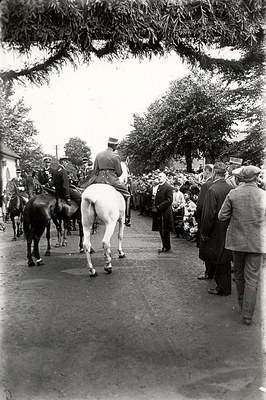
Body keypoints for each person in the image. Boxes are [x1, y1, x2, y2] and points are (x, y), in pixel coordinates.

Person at [218, 165, 266, 326]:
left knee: (239, 275)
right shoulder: (263, 195)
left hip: (237, 242)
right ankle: (248, 315)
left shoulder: (234, 193)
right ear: (256, 178)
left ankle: (241, 305)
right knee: (252, 278)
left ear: (242, 178)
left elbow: (222, 216)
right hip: (257, 243)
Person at [199, 162, 233, 296]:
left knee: (217, 258)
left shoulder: (212, 189)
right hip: (227, 228)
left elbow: (208, 214)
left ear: (213, 173)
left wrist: (204, 232)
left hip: (215, 229)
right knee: (225, 258)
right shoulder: (230, 188)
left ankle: (222, 288)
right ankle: (225, 286)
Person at [89, 137, 131, 227]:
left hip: (99, 181)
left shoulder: (98, 155)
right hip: (112, 181)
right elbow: (119, 173)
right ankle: (127, 218)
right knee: (128, 195)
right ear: (115, 146)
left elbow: (95, 170)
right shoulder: (115, 156)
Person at [196, 164, 214, 278]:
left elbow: (200, 205)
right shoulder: (218, 183)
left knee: (206, 247)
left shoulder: (207, 185)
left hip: (206, 220)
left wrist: (198, 217)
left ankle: (208, 272)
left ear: (207, 172)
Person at [151, 172, 174, 253]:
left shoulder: (168, 187)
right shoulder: (159, 186)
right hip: (159, 211)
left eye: (160, 177)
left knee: (165, 229)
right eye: (158, 177)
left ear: (165, 178)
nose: (159, 178)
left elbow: (169, 200)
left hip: (165, 212)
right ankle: (164, 245)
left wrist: (159, 207)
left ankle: (166, 246)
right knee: (161, 229)